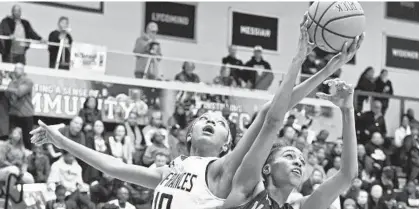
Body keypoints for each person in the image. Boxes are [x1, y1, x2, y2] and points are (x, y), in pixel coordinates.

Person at [30, 13, 353, 209]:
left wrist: (322, 70)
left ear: (228, 143)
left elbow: (270, 115)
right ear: (188, 133)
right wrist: (63, 141)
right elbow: (113, 166)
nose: (211, 119)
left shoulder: (224, 170)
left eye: (219, 121)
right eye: (204, 119)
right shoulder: (170, 172)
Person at [223, 78, 360, 209]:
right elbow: (271, 122)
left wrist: (348, 110)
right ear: (266, 169)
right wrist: (299, 62)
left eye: (302, 161)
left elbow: (348, 174)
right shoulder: (247, 190)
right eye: (289, 156)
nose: (298, 163)